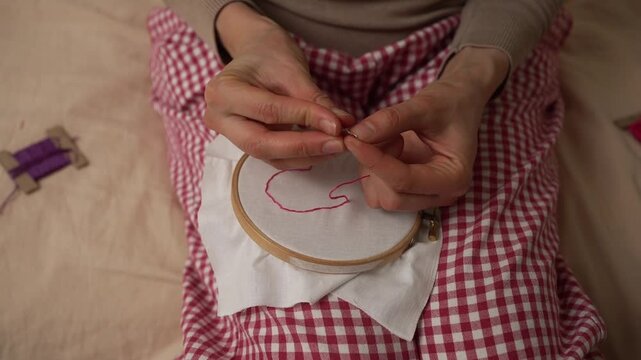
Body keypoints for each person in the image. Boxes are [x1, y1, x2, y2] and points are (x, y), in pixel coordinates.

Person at [149, 0, 606, 358]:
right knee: (306, 345)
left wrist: (473, 78)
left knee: (504, 344)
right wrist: (247, 33)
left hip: (476, 37)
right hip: (240, 34)